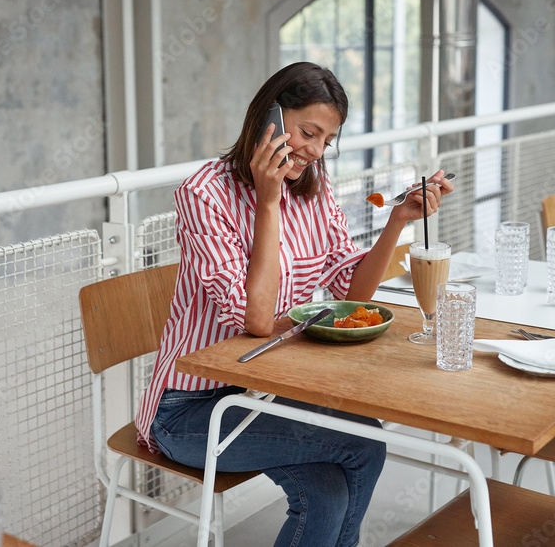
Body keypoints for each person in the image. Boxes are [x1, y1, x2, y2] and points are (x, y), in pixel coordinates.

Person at [135, 62, 453, 546]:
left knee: (333, 486)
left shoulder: (314, 187)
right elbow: (257, 321)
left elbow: (351, 295)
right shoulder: (204, 194)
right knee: (363, 444)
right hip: (190, 410)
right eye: (308, 133)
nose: (316, 151)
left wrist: (397, 221)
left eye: (327, 140)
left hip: (265, 391)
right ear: (270, 118)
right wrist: (268, 203)